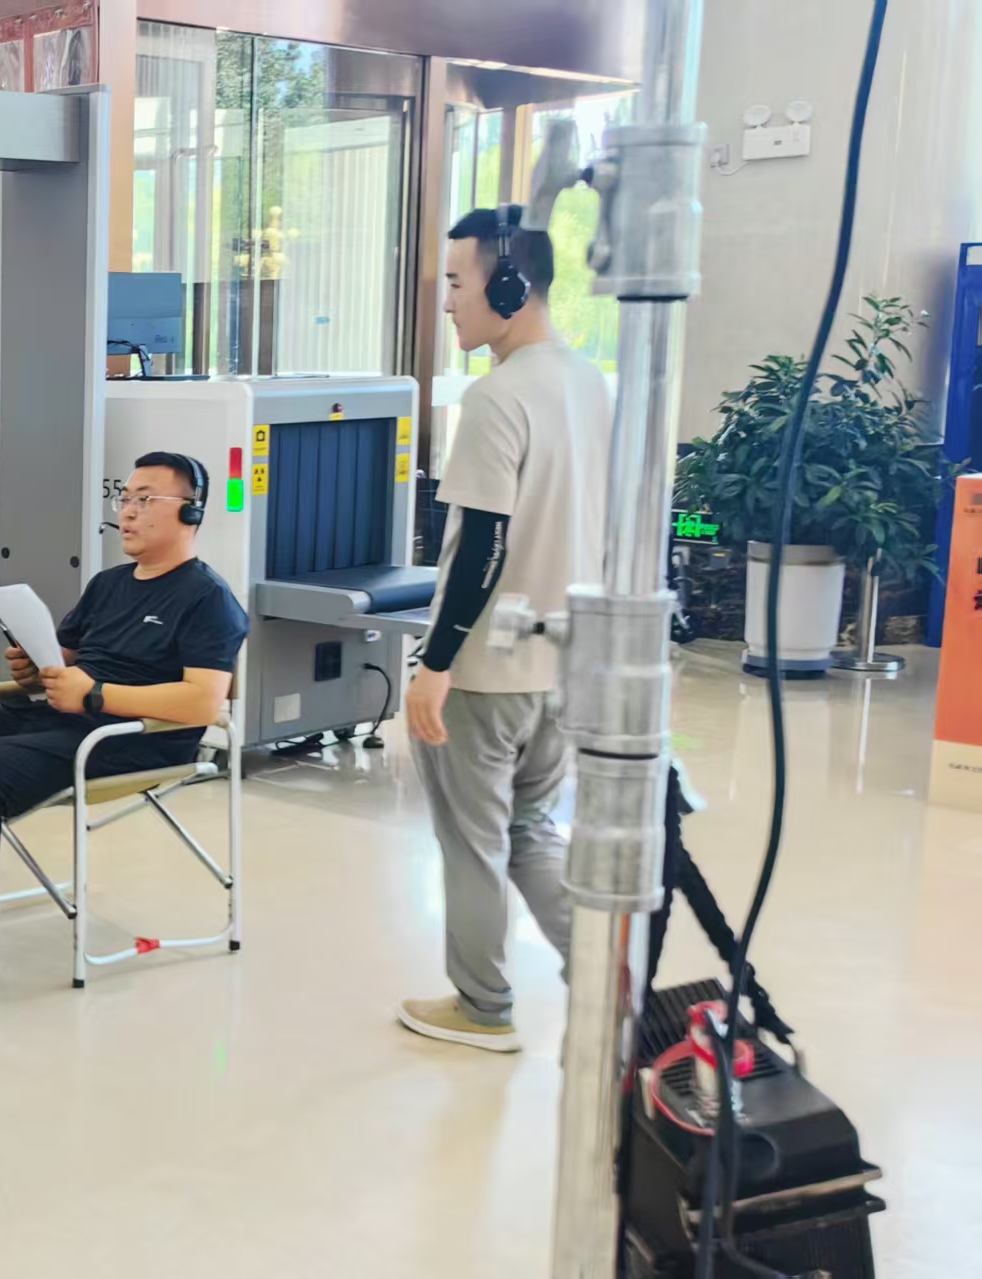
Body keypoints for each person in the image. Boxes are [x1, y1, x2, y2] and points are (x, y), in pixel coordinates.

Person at [0, 453, 246, 991]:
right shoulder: (109, 584)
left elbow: (203, 703)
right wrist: (36, 670)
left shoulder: (208, 599)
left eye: (146, 499)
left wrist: (96, 694)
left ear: (190, 512)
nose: (128, 511)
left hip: (128, 741)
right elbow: (63, 663)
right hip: (53, 718)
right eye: (125, 498)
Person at [395, 205, 610, 1054]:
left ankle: (482, 1005)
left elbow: (482, 546)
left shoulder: (496, 397)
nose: (447, 302)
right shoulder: (588, 384)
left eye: (457, 282)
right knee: (529, 832)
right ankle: (605, 982)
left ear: (510, 287)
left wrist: (434, 662)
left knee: (472, 844)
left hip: (485, 670)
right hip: (561, 663)